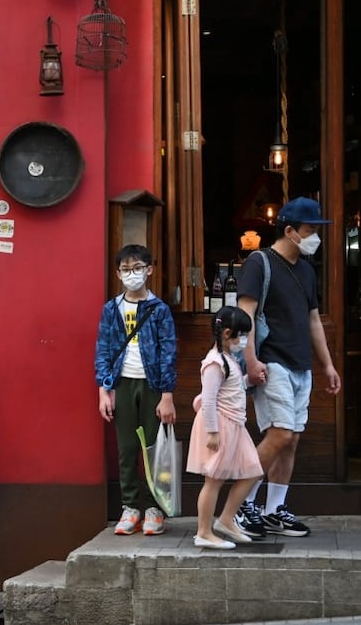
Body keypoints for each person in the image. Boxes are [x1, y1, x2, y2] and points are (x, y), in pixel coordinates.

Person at [235, 197, 341, 537]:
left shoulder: (307, 270)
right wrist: (251, 360)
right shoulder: (259, 263)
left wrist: (327, 365)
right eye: (311, 231)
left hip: (300, 364)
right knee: (279, 434)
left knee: (291, 439)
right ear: (291, 231)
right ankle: (241, 504)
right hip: (271, 361)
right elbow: (245, 315)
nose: (316, 237)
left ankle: (273, 510)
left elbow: (313, 320)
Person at [94, 244, 178, 536]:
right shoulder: (111, 309)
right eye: (126, 269)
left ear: (149, 270)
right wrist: (104, 390)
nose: (132, 274)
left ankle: (156, 508)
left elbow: (168, 351)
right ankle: (131, 508)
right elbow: (103, 349)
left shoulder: (159, 310)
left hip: (153, 384)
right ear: (118, 273)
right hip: (122, 384)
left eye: (138, 268)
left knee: (155, 449)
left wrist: (167, 395)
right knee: (127, 449)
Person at [187, 307, 265, 550]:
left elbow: (230, 387)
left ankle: (226, 520)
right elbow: (209, 399)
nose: (244, 341)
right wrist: (212, 432)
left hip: (235, 426)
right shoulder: (214, 362)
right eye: (242, 336)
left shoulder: (228, 360)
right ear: (228, 333)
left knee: (253, 471)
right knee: (214, 480)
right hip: (220, 426)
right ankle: (204, 532)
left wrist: (248, 381)